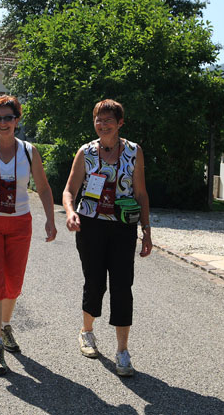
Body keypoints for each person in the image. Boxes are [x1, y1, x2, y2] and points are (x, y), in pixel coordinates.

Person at [0, 95, 57, 375]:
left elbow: (43, 188)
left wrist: (51, 220)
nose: (3, 123)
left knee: (13, 283)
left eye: (8, 117)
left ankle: (4, 326)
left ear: (17, 120)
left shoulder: (29, 151)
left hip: (19, 223)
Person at [62, 99, 152, 377]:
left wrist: (146, 230)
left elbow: (141, 193)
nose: (103, 125)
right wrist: (70, 213)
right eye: (98, 120)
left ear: (120, 123)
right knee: (95, 282)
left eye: (108, 120)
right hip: (90, 225)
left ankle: (122, 351)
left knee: (123, 286)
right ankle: (87, 332)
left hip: (123, 226)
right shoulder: (86, 152)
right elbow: (69, 191)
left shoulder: (134, 152)